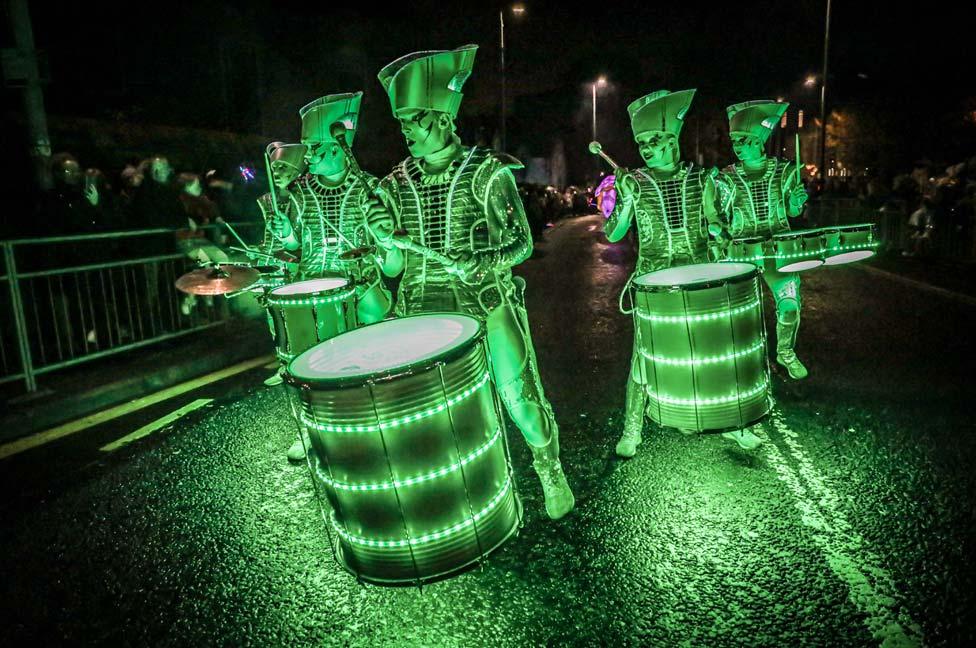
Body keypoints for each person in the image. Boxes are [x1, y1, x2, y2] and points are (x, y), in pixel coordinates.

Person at [364, 45, 574, 520]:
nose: (405, 133)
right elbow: (394, 268)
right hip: (418, 308)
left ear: (440, 117)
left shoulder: (486, 173)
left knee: (518, 396)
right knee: (422, 417)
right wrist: (383, 241)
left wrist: (481, 261)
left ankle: (549, 468)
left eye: (412, 122)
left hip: (484, 301)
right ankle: (451, 499)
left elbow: (521, 243)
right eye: (401, 125)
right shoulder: (393, 184)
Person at [602, 89, 760, 455]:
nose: (645, 148)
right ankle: (632, 430)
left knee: (715, 351)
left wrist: (723, 233)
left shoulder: (702, 179)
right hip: (654, 283)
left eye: (654, 139)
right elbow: (613, 233)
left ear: (672, 140)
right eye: (641, 142)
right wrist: (623, 198)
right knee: (643, 358)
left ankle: (730, 423)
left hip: (700, 277)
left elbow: (718, 222)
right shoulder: (635, 183)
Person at [716, 100, 809, 381]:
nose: (738, 147)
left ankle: (785, 351)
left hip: (778, 249)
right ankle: (743, 362)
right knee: (739, 313)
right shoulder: (726, 178)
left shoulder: (784, 171)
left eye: (744, 140)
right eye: (735, 141)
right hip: (742, 251)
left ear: (759, 142)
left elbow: (793, 211)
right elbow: (719, 215)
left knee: (790, 306)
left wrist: (796, 203)